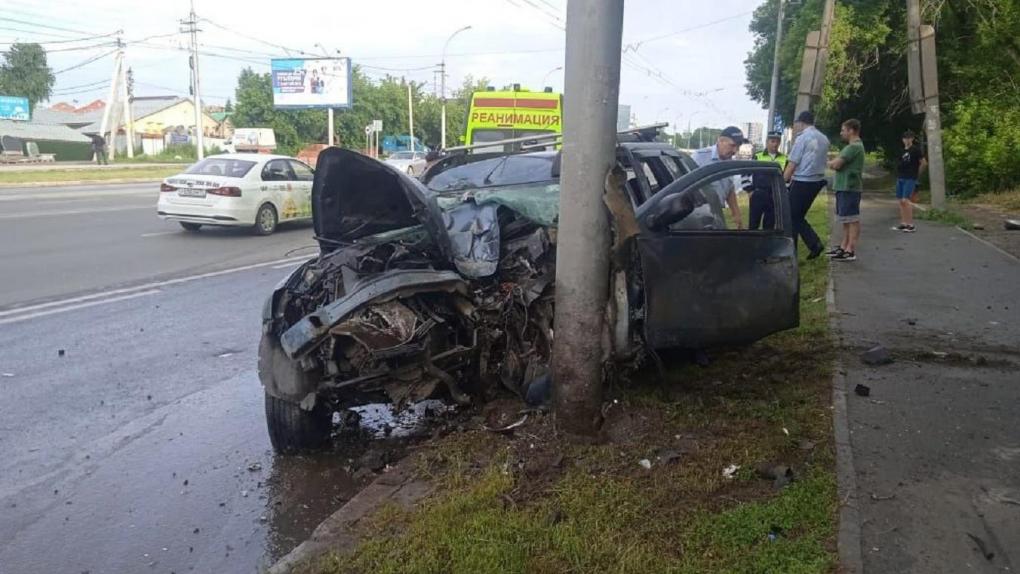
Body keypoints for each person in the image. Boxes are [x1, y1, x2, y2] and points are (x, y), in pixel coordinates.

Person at [783, 111, 830, 258]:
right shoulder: (824, 138)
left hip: (802, 181)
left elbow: (793, 163)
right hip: (816, 182)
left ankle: (812, 244)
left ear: (801, 123)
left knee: (791, 215)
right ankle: (799, 248)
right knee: (797, 216)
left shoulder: (802, 138)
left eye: (796, 123)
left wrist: (783, 180)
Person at [690, 126, 746, 228]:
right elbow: (686, 184)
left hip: (717, 214)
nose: (735, 151)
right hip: (698, 215)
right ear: (720, 141)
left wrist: (736, 214)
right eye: (732, 145)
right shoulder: (699, 157)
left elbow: (729, 189)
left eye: (738, 146)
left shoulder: (730, 162)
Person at [827, 119, 866, 262]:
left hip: (849, 187)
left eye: (843, 130)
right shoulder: (852, 146)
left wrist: (829, 162)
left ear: (851, 131)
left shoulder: (853, 147)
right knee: (845, 219)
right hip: (844, 187)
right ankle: (844, 247)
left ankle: (850, 249)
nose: (841, 133)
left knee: (852, 218)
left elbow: (837, 164)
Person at [749, 131, 788, 230]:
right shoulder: (758, 156)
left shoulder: (785, 158)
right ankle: (752, 245)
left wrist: (783, 193)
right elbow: (746, 174)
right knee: (753, 224)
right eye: (772, 141)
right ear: (767, 142)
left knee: (769, 225)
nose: (775, 144)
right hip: (759, 193)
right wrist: (749, 191)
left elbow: (787, 179)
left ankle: (766, 244)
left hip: (774, 196)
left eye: (777, 141)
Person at [895, 130, 926, 233]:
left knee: (906, 200)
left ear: (912, 139)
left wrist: (917, 174)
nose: (906, 140)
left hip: (910, 177)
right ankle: (903, 223)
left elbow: (923, 163)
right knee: (900, 201)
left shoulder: (915, 150)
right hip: (900, 176)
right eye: (905, 138)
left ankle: (910, 224)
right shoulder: (901, 150)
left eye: (908, 138)